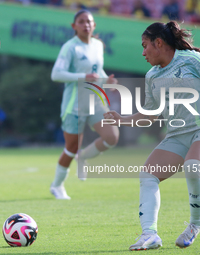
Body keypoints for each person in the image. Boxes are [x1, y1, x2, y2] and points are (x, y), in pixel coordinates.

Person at [104, 20, 200, 250]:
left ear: (158, 42)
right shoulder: (152, 75)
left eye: (144, 46)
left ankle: (194, 225)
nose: (142, 53)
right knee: (147, 175)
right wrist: (121, 120)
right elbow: (150, 114)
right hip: (178, 136)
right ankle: (149, 234)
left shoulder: (193, 59)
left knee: (193, 165)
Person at [50, 10, 119, 200]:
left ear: (94, 25)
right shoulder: (70, 47)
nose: (86, 25)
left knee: (112, 136)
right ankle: (57, 186)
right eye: (81, 22)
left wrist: (107, 81)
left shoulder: (97, 45)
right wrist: (83, 77)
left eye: (89, 22)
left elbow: (97, 71)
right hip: (75, 106)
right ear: (74, 26)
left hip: (95, 102)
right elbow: (56, 74)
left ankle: (85, 157)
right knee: (71, 148)